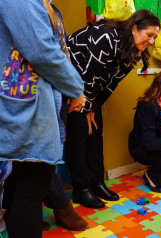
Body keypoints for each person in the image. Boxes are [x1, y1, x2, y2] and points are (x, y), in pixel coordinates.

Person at [0, 0, 85, 237]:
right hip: (23, 109)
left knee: (23, 186)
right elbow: (43, 50)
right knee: (31, 187)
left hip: (29, 105)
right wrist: (76, 89)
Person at [65, 9, 161, 208]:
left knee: (96, 131)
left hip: (90, 92)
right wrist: (87, 107)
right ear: (134, 28)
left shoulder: (133, 52)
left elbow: (110, 85)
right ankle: (80, 190)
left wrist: (94, 107)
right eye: (149, 35)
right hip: (72, 85)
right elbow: (88, 74)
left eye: (155, 37)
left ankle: (97, 182)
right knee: (80, 132)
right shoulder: (107, 36)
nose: (151, 41)